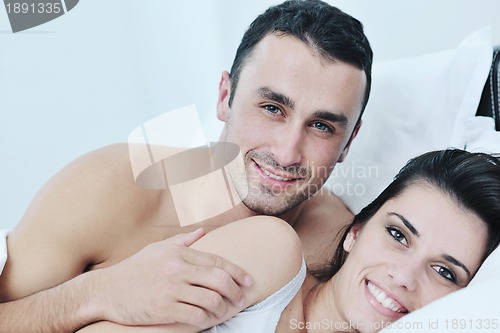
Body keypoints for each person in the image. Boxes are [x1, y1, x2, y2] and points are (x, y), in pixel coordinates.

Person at [0, 1, 373, 332]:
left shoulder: (342, 244)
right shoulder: (108, 188)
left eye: (321, 126)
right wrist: (98, 293)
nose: (288, 153)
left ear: (349, 142)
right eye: (272, 108)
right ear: (225, 97)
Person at [75, 149, 500, 332]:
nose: (404, 276)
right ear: (355, 232)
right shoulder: (269, 256)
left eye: (445, 271)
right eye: (398, 235)